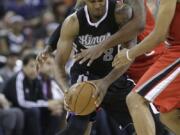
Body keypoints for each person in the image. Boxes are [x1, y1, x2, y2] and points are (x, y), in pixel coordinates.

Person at [54, 0, 140, 134]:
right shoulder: (73, 22)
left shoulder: (120, 13)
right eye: (93, 1)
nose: (98, 5)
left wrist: (105, 82)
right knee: (76, 129)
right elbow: (58, 64)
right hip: (85, 76)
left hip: (114, 74)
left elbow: (130, 53)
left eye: (100, 0)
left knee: (142, 125)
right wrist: (66, 91)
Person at [112, 0, 180, 134]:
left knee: (135, 99)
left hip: (176, 52)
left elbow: (159, 35)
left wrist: (129, 54)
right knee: (169, 116)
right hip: (173, 50)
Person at [3, 53, 62, 135]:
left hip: (29, 107)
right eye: (31, 66)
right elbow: (21, 103)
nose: (34, 69)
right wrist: (46, 104)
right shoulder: (18, 78)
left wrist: (51, 106)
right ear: (23, 66)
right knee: (34, 111)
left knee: (55, 111)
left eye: (37, 66)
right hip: (14, 108)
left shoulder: (36, 79)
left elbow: (42, 98)